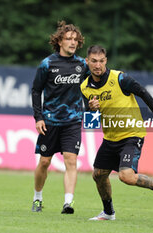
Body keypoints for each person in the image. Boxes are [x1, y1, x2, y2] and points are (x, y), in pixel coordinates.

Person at [80, 45, 153, 221]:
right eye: (93, 61)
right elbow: (91, 120)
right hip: (110, 137)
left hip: (132, 135)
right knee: (98, 175)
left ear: (106, 61)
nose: (97, 65)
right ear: (87, 62)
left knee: (126, 176)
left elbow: (144, 93)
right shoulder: (85, 87)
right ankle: (108, 213)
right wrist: (91, 110)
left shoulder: (120, 78)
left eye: (101, 61)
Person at [31, 21, 89, 214]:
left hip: (73, 121)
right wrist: (38, 117)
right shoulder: (47, 64)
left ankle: (68, 203)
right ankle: (37, 198)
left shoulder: (82, 65)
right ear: (60, 41)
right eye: (68, 39)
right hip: (50, 121)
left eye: (75, 39)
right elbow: (36, 90)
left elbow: (92, 89)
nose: (73, 42)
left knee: (71, 161)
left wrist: (92, 106)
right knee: (45, 162)